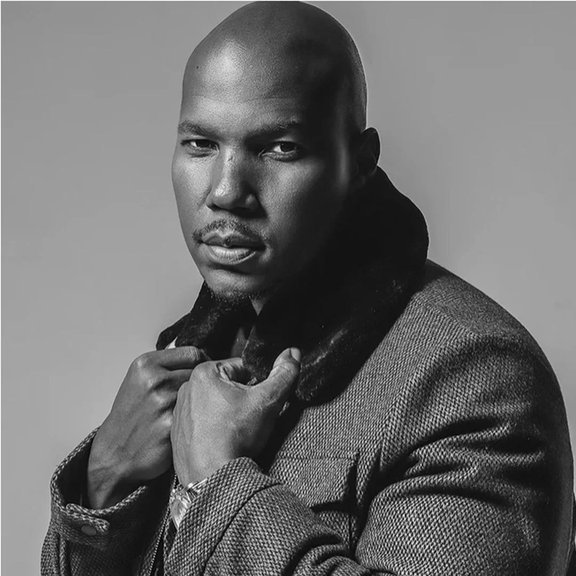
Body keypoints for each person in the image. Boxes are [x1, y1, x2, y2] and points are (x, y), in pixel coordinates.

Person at [41, 2, 575, 575]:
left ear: (359, 163)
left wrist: (219, 488)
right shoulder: (199, 355)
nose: (225, 191)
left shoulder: (476, 378)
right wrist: (105, 478)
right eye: (200, 144)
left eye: (280, 148)